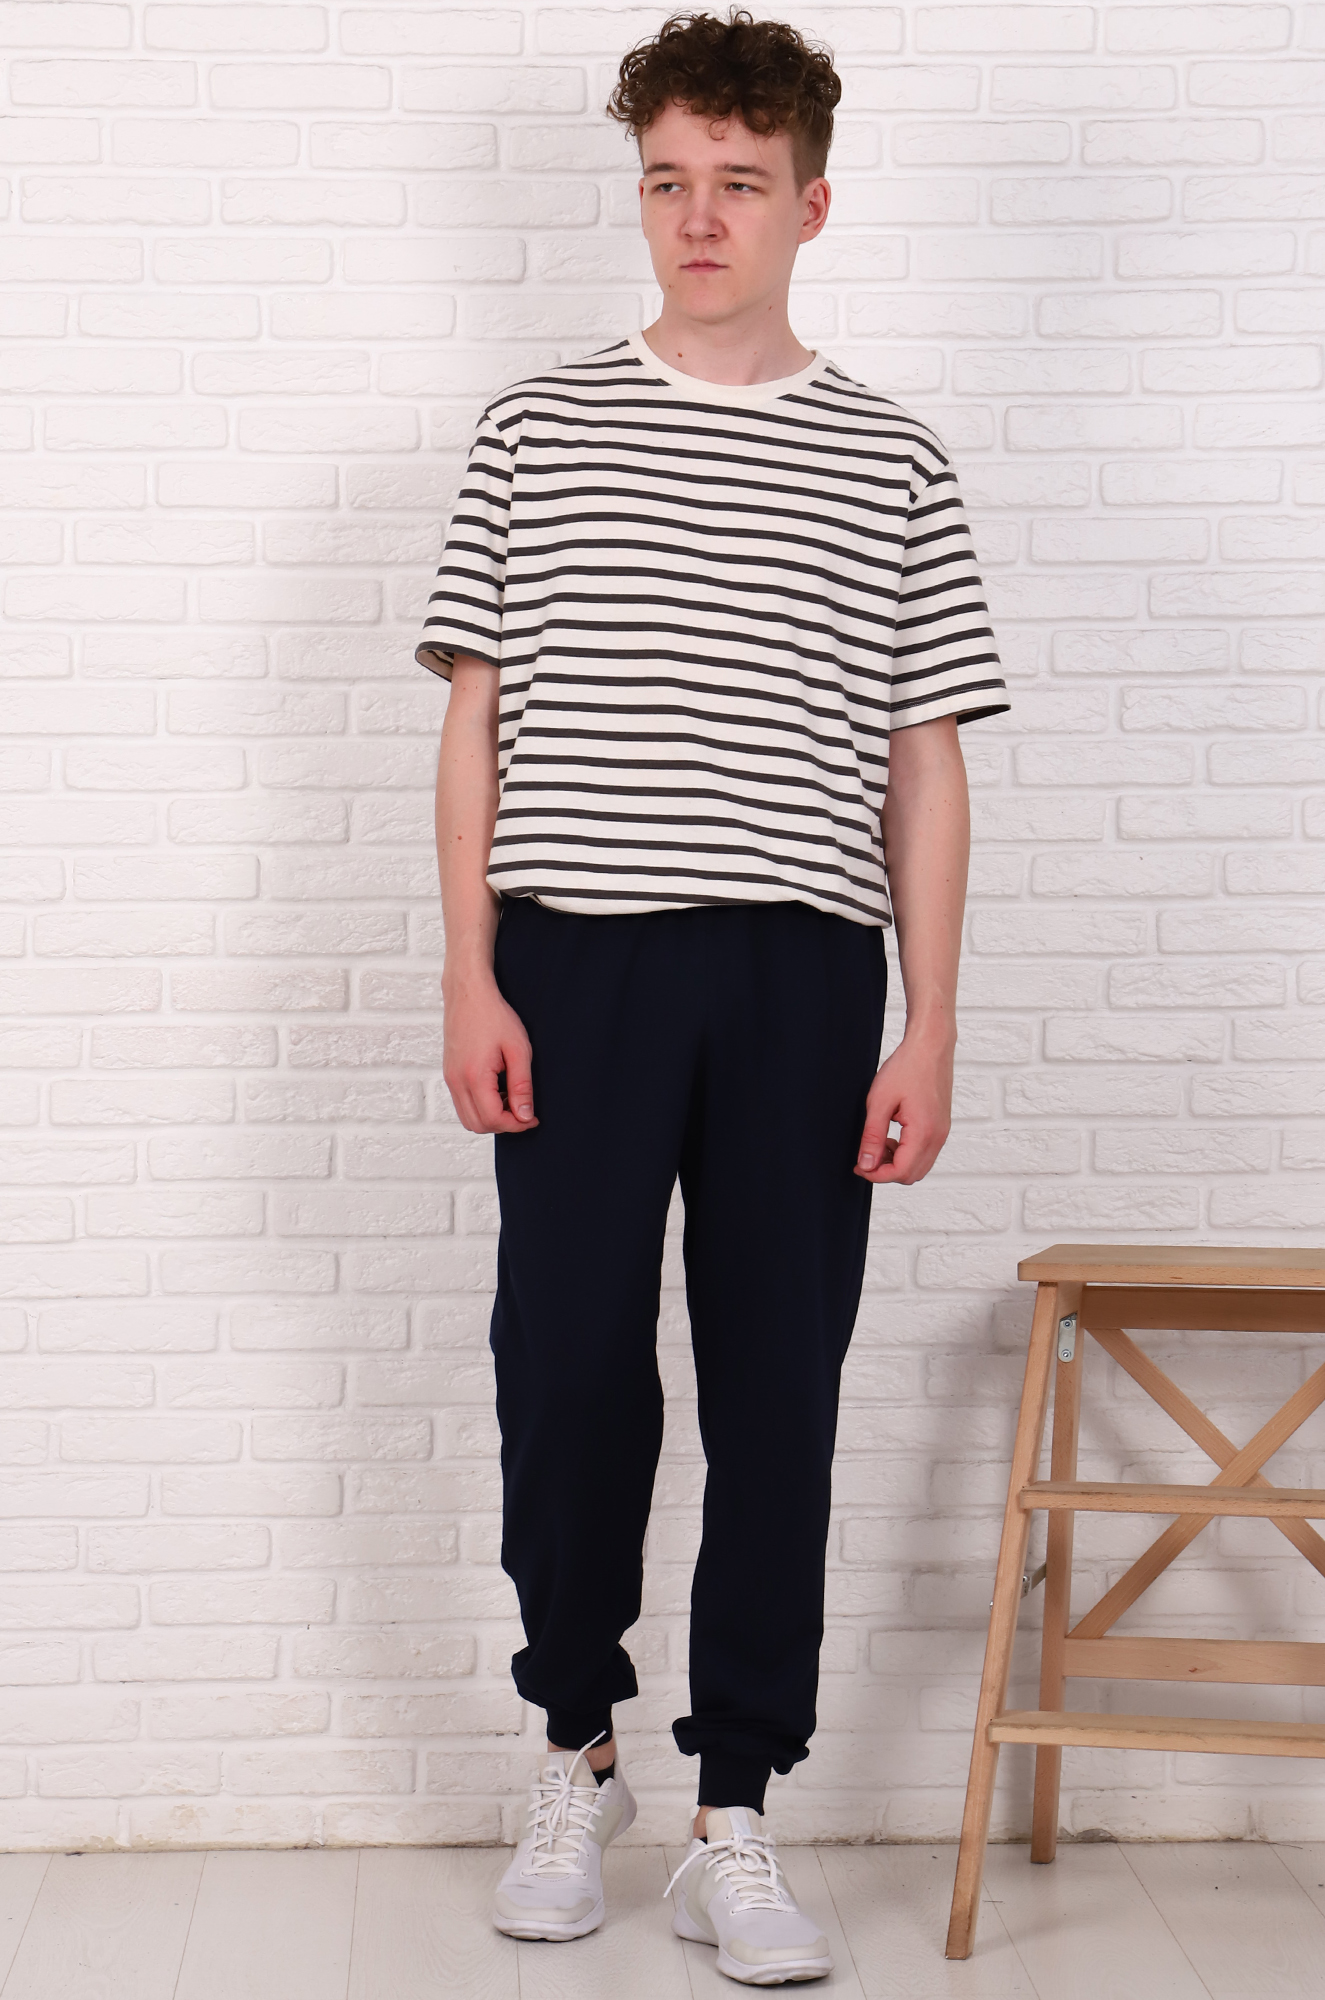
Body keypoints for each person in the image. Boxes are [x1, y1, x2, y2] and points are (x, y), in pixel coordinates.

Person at [421, 8, 1008, 1984]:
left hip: (798, 968)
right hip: (572, 961)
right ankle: (573, 1753)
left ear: (809, 205)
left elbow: (924, 753)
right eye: (667, 180)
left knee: (776, 1387)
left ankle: (734, 1810)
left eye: (739, 184)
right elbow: (477, 717)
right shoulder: (538, 428)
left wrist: (928, 1018)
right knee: (568, 1366)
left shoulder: (890, 451)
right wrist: (469, 970)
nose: (698, 217)